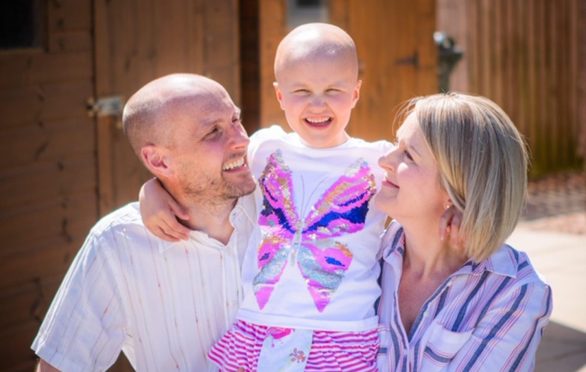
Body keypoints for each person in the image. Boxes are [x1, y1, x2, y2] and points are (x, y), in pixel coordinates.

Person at [140, 23, 460, 371]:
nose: (317, 103)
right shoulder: (266, 148)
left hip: (342, 332)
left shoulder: (376, 161)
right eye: (302, 90)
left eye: (333, 90)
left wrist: (458, 207)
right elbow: (207, 174)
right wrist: (151, 190)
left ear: (355, 93)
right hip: (260, 327)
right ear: (280, 96)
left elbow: (427, 189)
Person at [31, 74, 257, 371]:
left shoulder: (289, 202)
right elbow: (60, 365)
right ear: (160, 162)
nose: (242, 139)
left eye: (235, 120)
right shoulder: (117, 243)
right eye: (213, 131)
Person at [375, 93, 552, 371]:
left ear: (456, 189)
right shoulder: (365, 255)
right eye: (396, 144)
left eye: (408, 154)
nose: (384, 159)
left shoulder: (515, 290)